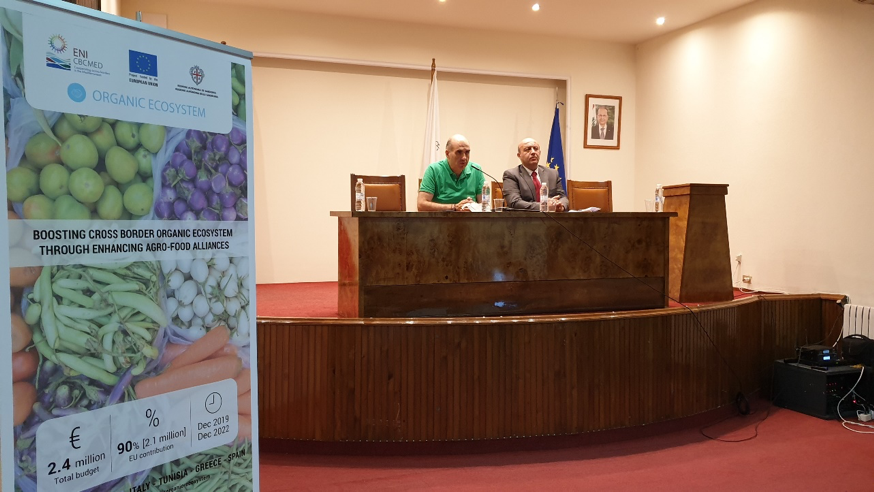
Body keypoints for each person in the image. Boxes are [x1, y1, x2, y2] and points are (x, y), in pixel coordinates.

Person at [417, 134, 485, 211]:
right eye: (459, 152)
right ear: (447, 154)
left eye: (467, 152)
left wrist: (473, 206)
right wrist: (454, 207)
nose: (464, 157)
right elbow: (421, 205)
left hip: (470, 218)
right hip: (442, 218)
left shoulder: (476, 170)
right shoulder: (433, 170)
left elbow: (485, 206)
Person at [501, 138, 568, 212]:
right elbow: (514, 202)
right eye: (527, 149)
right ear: (519, 155)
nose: (533, 152)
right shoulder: (511, 175)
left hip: (551, 218)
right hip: (525, 218)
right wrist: (544, 206)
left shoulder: (552, 174)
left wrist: (561, 206)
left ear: (540, 153)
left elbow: (563, 197)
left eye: (535, 149)